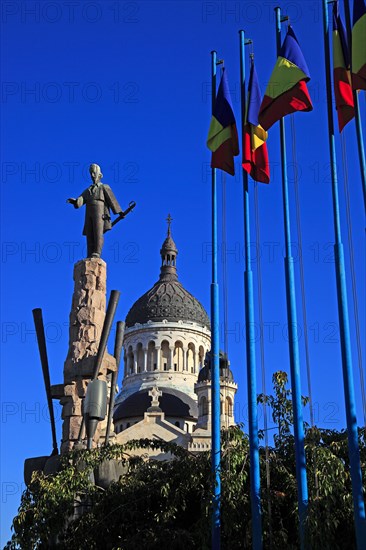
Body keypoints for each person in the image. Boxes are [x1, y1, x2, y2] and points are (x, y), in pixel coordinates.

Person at [67, 163, 123, 258]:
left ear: (99, 175)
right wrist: (75, 202)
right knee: (90, 233)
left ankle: (97, 252)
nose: (92, 175)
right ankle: (89, 254)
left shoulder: (104, 187)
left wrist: (119, 212)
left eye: (94, 173)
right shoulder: (88, 190)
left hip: (99, 210)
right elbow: (81, 199)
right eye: (91, 173)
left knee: (98, 232)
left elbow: (112, 199)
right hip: (89, 211)